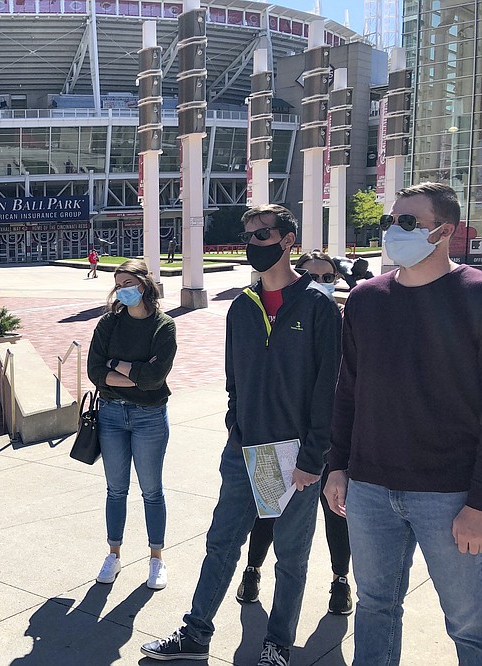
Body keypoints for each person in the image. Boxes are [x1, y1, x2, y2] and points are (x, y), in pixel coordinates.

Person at [143, 204, 342, 666]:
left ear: (288, 240)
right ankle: (196, 635)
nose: (254, 242)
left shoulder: (318, 307)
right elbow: (234, 380)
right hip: (245, 451)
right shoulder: (241, 307)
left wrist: (313, 458)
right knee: (222, 543)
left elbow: (328, 389)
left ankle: (277, 643)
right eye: (248, 234)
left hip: (294, 456)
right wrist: (237, 429)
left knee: (290, 557)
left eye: (263, 233)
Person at [324, 182, 482, 665]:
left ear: (445, 231)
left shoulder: (475, 296)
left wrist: (478, 503)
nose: (396, 231)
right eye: (393, 220)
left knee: (469, 624)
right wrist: (337, 465)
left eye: (409, 222)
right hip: (370, 489)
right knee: (374, 608)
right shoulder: (366, 298)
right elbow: (348, 388)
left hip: (451, 494)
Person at [234, 251, 353, 616]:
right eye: (311, 274)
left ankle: (340, 579)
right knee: (267, 512)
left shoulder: (346, 319)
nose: (320, 280)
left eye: (328, 275)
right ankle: (253, 568)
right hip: (284, 437)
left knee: (336, 515)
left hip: (332, 439)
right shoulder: (285, 314)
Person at [86, 259, 177, 590]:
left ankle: (156, 558)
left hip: (150, 416)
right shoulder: (108, 323)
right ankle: (114, 553)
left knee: (152, 491)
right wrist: (133, 371)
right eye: (118, 284)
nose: (123, 290)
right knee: (116, 489)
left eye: (128, 283)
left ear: (144, 284)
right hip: (110, 415)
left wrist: (117, 365)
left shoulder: (163, 326)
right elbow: (96, 372)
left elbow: (155, 380)